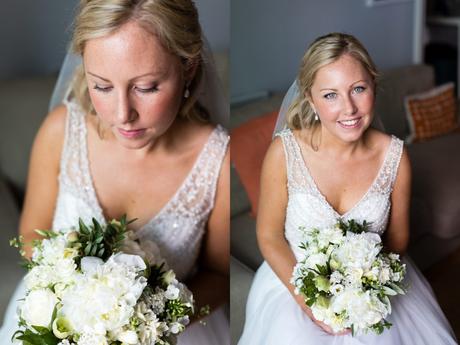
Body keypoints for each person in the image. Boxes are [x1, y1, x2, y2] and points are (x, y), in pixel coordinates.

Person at [0, 1, 229, 344]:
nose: (123, 114)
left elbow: (219, 274)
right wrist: (76, 302)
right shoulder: (61, 130)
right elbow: (31, 238)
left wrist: (144, 321)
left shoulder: (218, 160)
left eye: (147, 86)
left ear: (189, 68)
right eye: (103, 86)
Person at [238, 33, 457, 344]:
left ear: (373, 87)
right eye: (330, 95)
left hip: (370, 290)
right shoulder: (284, 152)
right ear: (310, 99)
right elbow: (269, 235)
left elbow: (397, 238)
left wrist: (368, 290)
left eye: (358, 89)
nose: (349, 108)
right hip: (292, 285)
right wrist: (309, 302)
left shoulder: (395, 156)